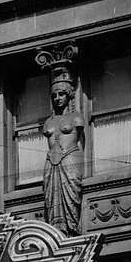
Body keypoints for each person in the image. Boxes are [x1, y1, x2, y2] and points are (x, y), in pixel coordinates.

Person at [42, 69, 84, 235]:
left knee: (71, 197)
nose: (57, 99)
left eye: (61, 94)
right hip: (51, 164)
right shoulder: (49, 122)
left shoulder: (76, 117)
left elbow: (81, 142)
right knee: (52, 201)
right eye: (54, 96)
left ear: (69, 95)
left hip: (69, 160)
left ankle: (71, 227)